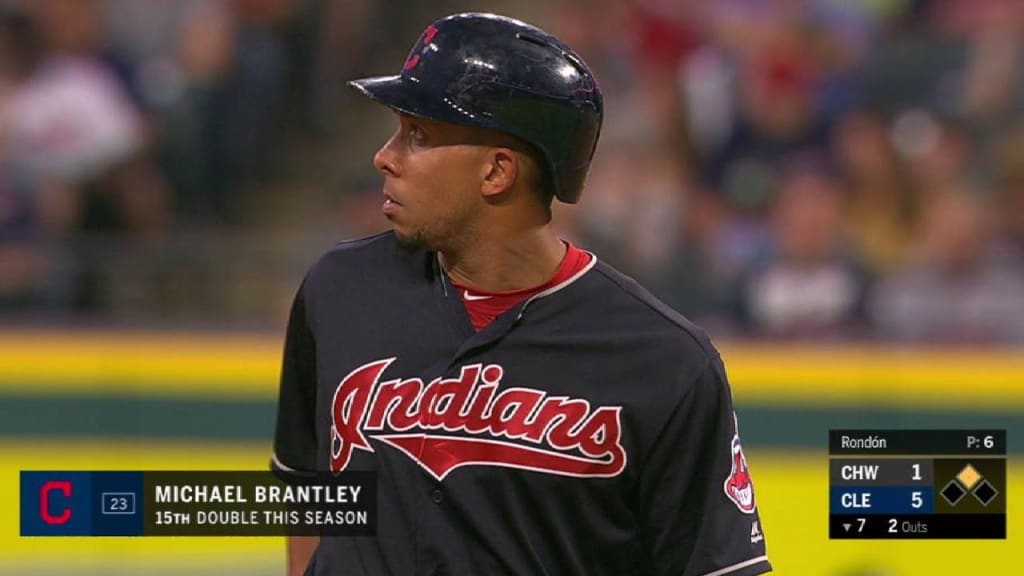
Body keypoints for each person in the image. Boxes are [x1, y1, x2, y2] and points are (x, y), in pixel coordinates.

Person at [272, 12, 771, 576]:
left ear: (497, 172)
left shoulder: (664, 361)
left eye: (418, 135)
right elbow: (308, 492)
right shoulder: (338, 290)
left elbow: (718, 565)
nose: (384, 156)